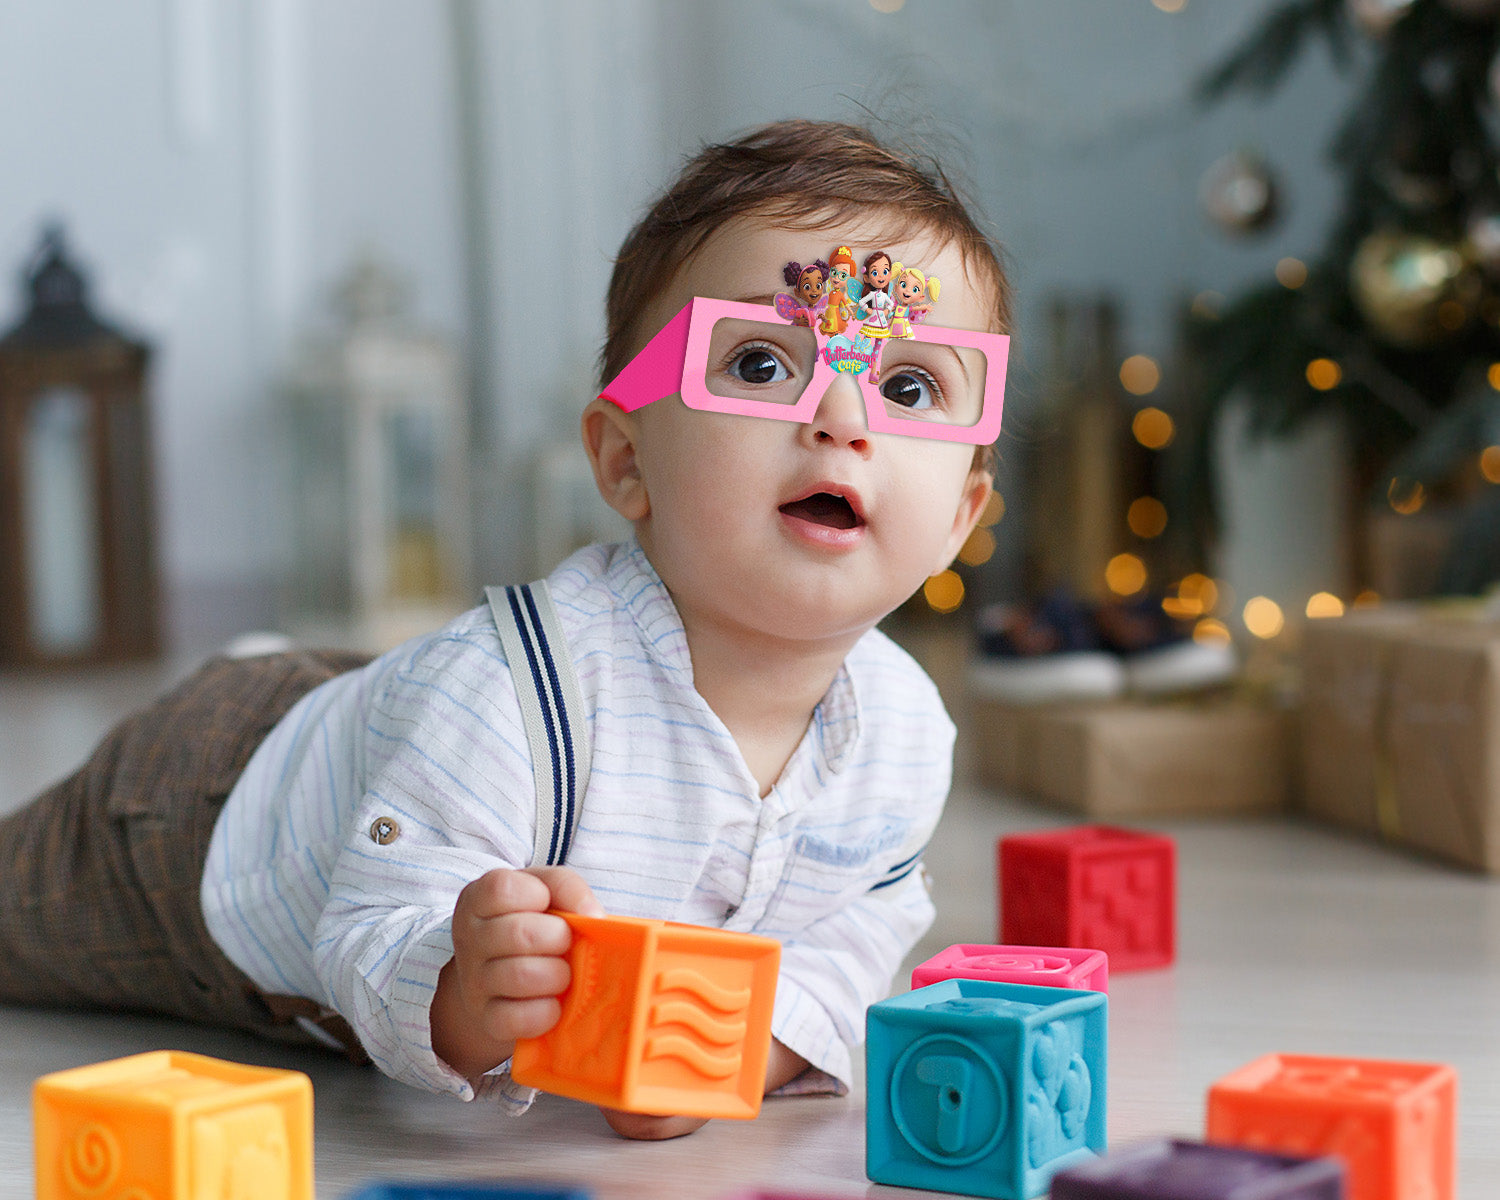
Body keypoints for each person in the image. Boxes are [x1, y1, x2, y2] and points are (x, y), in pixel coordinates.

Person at [0, 118, 1010, 1142]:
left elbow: (855, 929)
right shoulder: (514, 696)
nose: (844, 417)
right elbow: (367, 922)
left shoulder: (905, 735)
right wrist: (457, 991)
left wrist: (739, 1050)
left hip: (406, 738)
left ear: (963, 517)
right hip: (200, 823)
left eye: (910, 386)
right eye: (758, 365)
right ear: (625, 462)